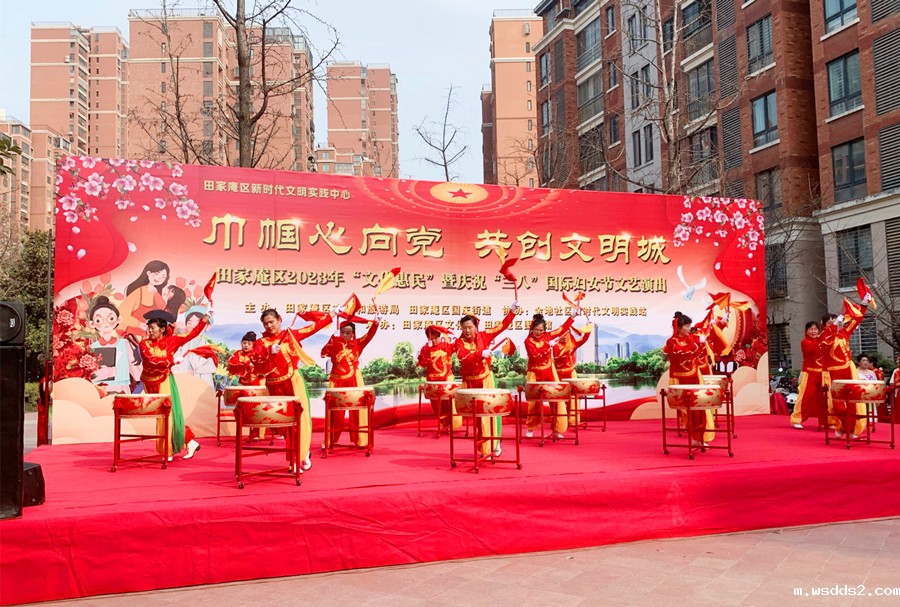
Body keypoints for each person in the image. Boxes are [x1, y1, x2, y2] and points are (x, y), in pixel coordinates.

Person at [253, 309, 333, 471]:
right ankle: (301, 453)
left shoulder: (290, 335)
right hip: (274, 387)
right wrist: (269, 353)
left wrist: (332, 314)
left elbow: (313, 328)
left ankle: (296, 458)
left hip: (293, 383)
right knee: (282, 426)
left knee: (299, 421)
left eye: (271, 322)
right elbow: (258, 366)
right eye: (265, 324)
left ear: (279, 320)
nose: (269, 326)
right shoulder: (260, 344)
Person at [125, 309, 209, 460]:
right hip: (149, 382)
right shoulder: (144, 344)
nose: (150, 331)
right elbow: (151, 360)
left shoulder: (172, 341)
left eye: (153, 328)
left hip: (164, 380)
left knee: (168, 415)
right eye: (149, 328)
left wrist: (206, 318)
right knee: (161, 416)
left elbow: (192, 334)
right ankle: (189, 442)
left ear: (162, 329)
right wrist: (171, 361)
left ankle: (168, 450)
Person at [454, 302, 518, 457]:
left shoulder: (485, 335)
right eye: (464, 328)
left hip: (486, 380)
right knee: (478, 419)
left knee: (492, 413)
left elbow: (501, 326)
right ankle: (484, 447)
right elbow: (464, 358)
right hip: (470, 383)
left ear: (476, 327)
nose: (467, 331)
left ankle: (495, 444)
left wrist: (512, 311)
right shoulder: (459, 343)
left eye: (470, 327)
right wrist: (479, 354)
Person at [321, 315, 380, 449]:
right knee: (334, 413)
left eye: (348, 333)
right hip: (336, 380)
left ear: (353, 334)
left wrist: (375, 324)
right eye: (342, 332)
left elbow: (369, 335)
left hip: (354, 379)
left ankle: (361, 440)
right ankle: (330, 440)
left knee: (357, 410)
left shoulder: (358, 343)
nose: (345, 335)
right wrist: (334, 338)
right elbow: (324, 352)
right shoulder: (334, 343)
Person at [819, 292, 870, 439]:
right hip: (833, 373)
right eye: (830, 322)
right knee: (838, 403)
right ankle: (841, 426)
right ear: (824, 324)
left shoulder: (844, 333)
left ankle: (851, 428)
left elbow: (856, 320)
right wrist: (834, 327)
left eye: (835, 321)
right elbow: (825, 346)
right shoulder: (823, 337)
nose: (833, 323)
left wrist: (864, 304)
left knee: (852, 401)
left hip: (847, 370)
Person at [663, 311, 714, 447]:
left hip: (694, 376)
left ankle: (700, 438)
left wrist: (703, 341)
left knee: (699, 409)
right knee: (688, 411)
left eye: (690, 326)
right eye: (686, 326)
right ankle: (694, 437)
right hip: (679, 380)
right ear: (679, 328)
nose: (689, 328)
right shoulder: (671, 343)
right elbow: (682, 355)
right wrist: (698, 343)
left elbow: (699, 349)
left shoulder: (692, 339)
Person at [524, 311, 575, 439]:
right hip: (534, 372)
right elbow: (535, 355)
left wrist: (572, 317)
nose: (539, 332)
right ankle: (531, 427)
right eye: (536, 330)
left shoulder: (547, 336)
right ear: (532, 329)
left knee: (557, 399)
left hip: (549, 371)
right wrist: (548, 345)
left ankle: (557, 429)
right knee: (533, 402)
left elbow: (562, 329)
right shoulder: (528, 341)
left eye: (541, 330)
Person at [88, 296, 140, 393]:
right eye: (98, 320)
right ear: (92, 324)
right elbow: (90, 373)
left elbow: (133, 366)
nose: (105, 323)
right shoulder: (92, 347)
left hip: (120, 388)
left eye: (110, 318)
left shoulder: (124, 344)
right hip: (99, 389)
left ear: (118, 320)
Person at [416, 325, 461, 432]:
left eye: (436, 337)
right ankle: (442, 423)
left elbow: (458, 346)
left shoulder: (446, 346)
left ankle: (451, 424)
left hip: (446, 379)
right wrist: (426, 353)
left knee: (448, 404)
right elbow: (423, 364)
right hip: (433, 381)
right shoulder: (425, 349)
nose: (434, 340)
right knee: (436, 405)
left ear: (439, 337)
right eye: (431, 338)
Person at [118, 260, 171, 336]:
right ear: (148, 273)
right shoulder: (139, 292)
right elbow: (122, 314)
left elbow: (166, 314)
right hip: (134, 335)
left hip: (150, 336)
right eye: (157, 274)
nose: (159, 278)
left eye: (163, 277)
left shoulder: (156, 293)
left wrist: (156, 294)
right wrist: (139, 324)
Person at [553, 323, 592, 426]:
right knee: (559, 398)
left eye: (566, 334)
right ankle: (559, 421)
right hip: (558, 374)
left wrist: (588, 328)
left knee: (573, 398)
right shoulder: (554, 346)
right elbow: (557, 355)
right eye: (562, 334)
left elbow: (584, 339)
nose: (564, 336)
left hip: (570, 373)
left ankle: (572, 420)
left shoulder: (572, 344)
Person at [790, 322, 824, 430]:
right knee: (805, 397)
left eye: (815, 329)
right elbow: (812, 348)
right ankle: (797, 419)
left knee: (824, 398)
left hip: (822, 373)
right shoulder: (805, 342)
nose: (813, 331)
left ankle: (826, 421)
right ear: (806, 331)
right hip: (809, 373)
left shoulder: (823, 341)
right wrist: (821, 338)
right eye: (811, 329)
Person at [173, 305, 217, 390]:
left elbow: (212, 367)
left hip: (202, 383)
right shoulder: (181, 344)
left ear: (208, 326)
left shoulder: (208, 347)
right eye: (189, 323)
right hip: (183, 382)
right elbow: (174, 362)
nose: (193, 326)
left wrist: (195, 371)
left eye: (198, 322)